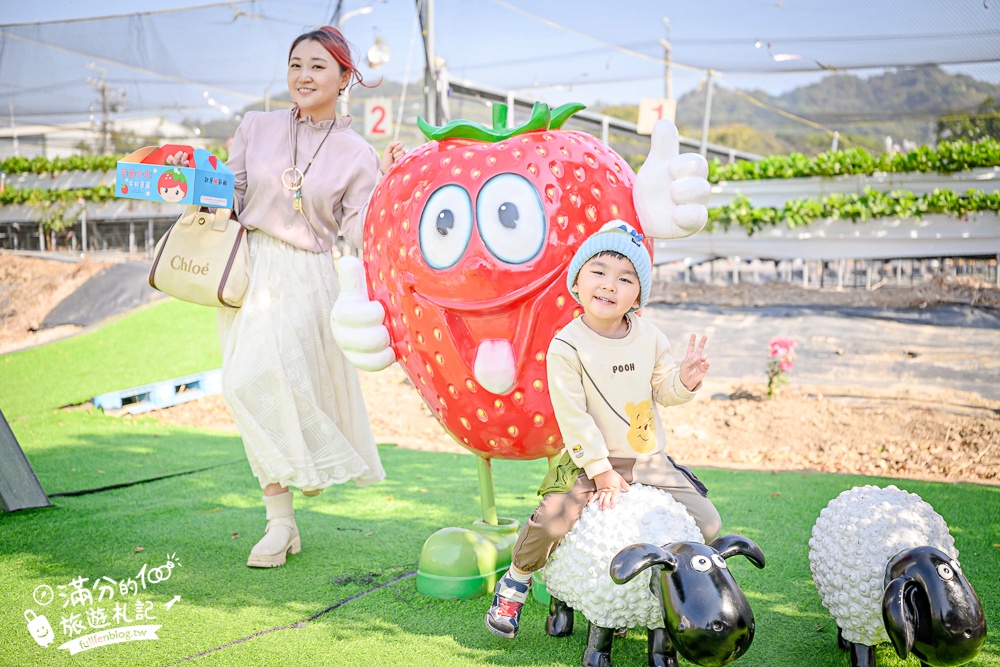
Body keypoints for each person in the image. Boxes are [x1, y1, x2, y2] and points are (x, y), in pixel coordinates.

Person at [171, 26, 404, 568]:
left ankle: (292, 499)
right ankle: (282, 519)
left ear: (345, 76)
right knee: (246, 383)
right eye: (296, 63)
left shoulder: (356, 152)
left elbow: (361, 230)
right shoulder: (257, 126)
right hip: (249, 269)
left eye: (318, 66)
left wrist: (391, 180)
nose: (303, 74)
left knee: (265, 380)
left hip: (308, 274)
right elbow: (232, 195)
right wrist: (196, 179)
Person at [485, 220, 721, 638]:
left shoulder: (649, 337)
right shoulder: (566, 345)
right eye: (599, 272)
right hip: (590, 459)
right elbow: (573, 416)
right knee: (553, 520)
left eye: (625, 278)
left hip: (649, 460)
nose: (609, 285)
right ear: (577, 281)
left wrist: (685, 379)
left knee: (708, 524)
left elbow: (663, 392)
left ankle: (658, 596)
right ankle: (516, 581)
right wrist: (600, 470)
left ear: (638, 295)